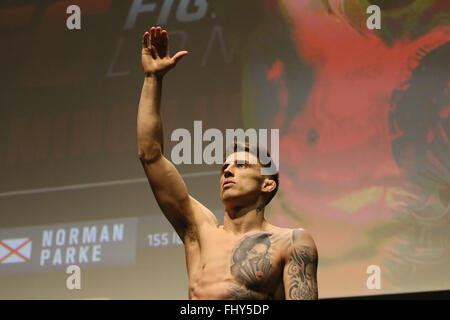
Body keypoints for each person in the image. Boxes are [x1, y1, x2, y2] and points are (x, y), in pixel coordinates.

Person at [137, 26, 318, 300]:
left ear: (267, 184)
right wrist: (152, 78)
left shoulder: (290, 242)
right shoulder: (199, 230)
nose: (228, 171)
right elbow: (150, 155)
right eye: (224, 168)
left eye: (241, 166)